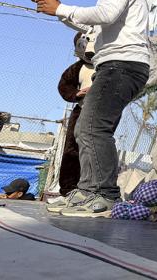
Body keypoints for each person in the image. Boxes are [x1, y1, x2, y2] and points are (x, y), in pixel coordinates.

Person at [32, 0, 150, 217]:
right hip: (120, 67)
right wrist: (60, 12)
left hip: (120, 66)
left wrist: (62, 8)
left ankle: (105, 195)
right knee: (86, 129)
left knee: (93, 129)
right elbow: (94, 27)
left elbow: (104, 14)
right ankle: (87, 191)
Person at [55, 30, 97, 197]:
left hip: (101, 112)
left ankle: (93, 187)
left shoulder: (108, 66)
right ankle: (69, 189)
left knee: (95, 149)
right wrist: (77, 94)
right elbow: (64, 85)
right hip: (81, 110)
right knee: (72, 148)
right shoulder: (77, 68)